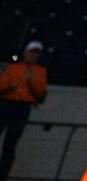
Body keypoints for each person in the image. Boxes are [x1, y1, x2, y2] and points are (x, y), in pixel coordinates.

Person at [0, 41, 48, 181]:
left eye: (36, 53)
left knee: (11, 143)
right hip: (6, 104)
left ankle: (3, 175)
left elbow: (40, 95)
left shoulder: (40, 71)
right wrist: (11, 86)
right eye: (31, 52)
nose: (33, 55)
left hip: (22, 107)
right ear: (25, 53)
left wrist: (30, 83)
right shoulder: (13, 68)